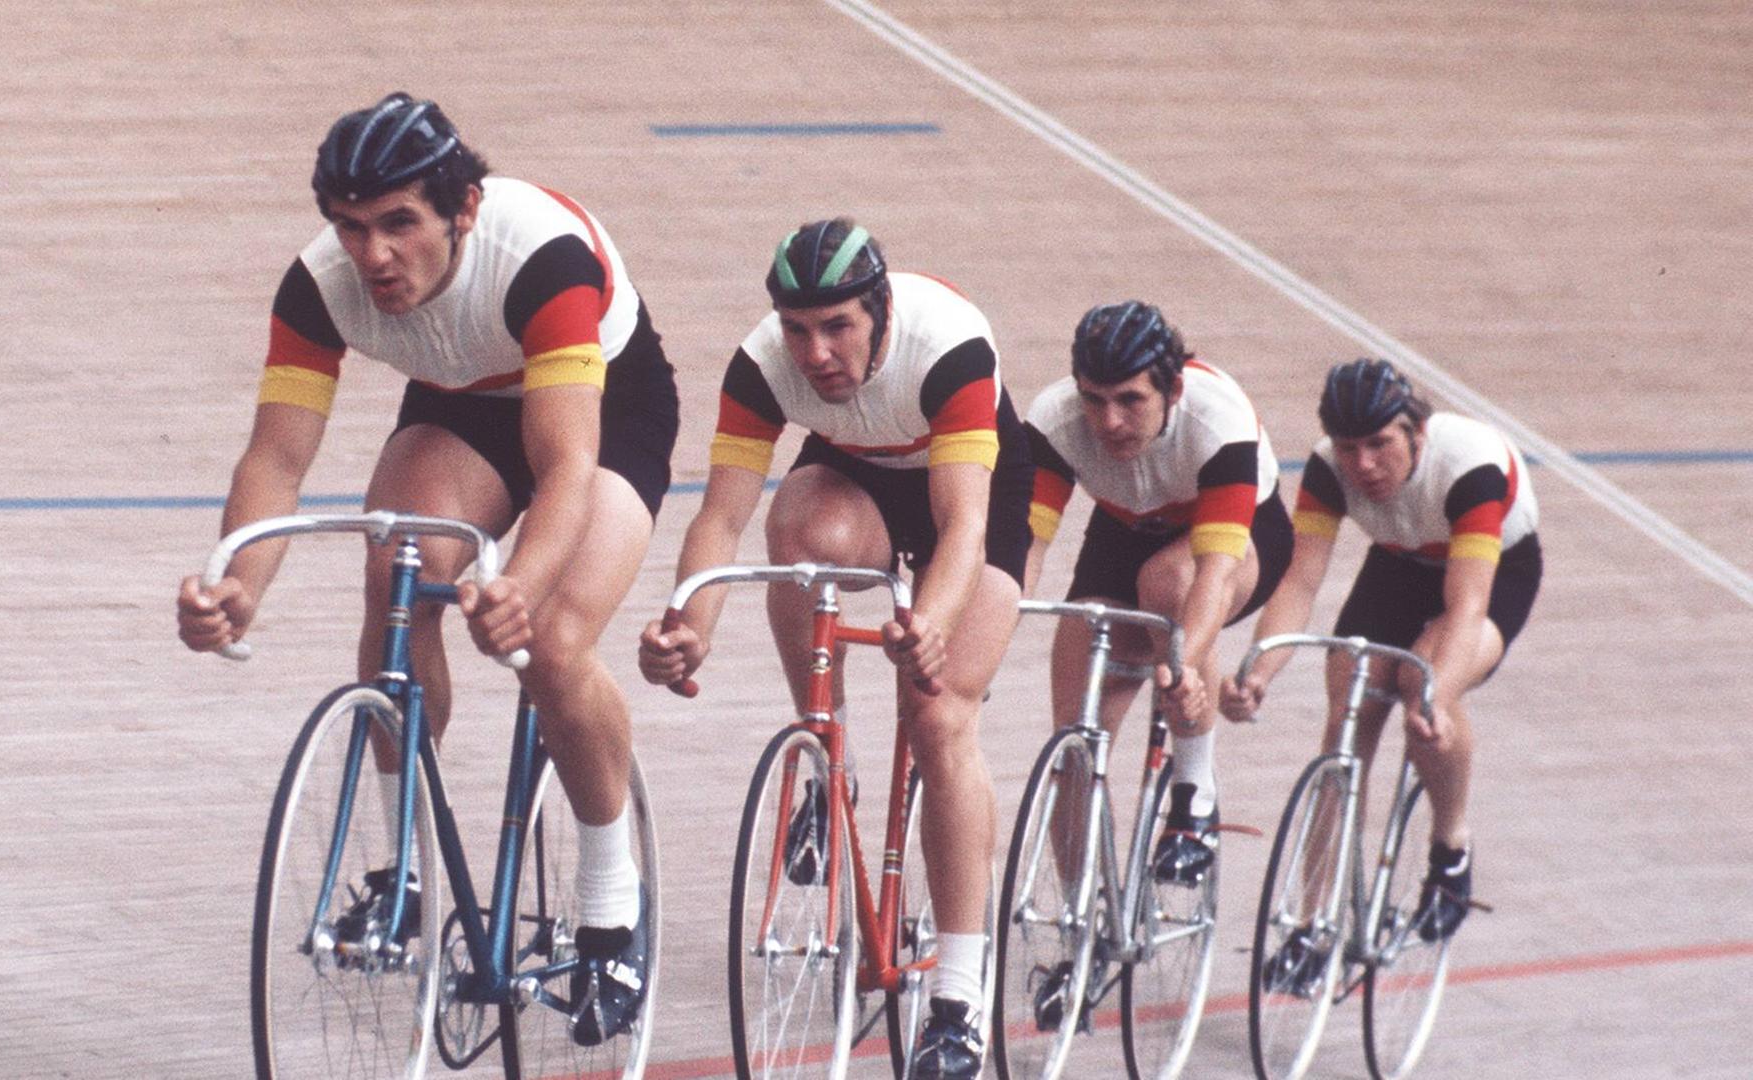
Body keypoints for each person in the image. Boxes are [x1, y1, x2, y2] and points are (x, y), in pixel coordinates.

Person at [174, 92, 677, 1044]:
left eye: (400, 223)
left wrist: (517, 587)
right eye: (351, 228)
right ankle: (401, 869)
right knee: (397, 566)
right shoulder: (318, 287)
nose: (374, 256)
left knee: (556, 645)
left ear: (465, 209)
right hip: (467, 405)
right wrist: (235, 581)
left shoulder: (543, 260)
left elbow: (566, 465)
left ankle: (614, 907)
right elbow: (277, 459)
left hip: (605, 410)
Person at [637, 218, 1031, 1077]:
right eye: (798, 329)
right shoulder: (761, 366)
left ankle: (959, 999)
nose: (815, 351)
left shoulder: (947, 345)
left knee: (939, 717)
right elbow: (722, 516)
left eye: (838, 326)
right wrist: (685, 626)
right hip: (857, 475)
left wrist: (927, 619)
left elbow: (963, 524)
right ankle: (828, 750)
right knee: (799, 533)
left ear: (880, 312)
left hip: (974, 497)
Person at [1222, 357, 1542, 957]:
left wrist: (1437, 692)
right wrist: (1258, 670)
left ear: (1417, 432)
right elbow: (1299, 582)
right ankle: (1310, 924)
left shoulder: (1469, 467)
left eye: (1379, 444)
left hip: (1490, 576)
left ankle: (1450, 846)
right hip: (1398, 566)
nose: (1363, 465)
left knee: (1423, 695)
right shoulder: (1326, 469)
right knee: (1346, 714)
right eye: (1349, 448)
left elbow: (1466, 607)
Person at [1021, 301, 1292, 906]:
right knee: (1075, 742)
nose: (1109, 421)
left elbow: (1214, 574)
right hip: (1122, 532)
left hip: (1236, 538)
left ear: (1172, 387)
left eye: (1130, 400)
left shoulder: (1218, 419)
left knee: (1168, 591)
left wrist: (1182, 668)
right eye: (1093, 400)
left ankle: (1193, 792)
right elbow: (1026, 550)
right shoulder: (1054, 421)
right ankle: (1080, 925)